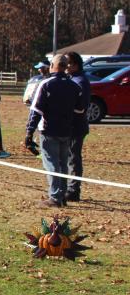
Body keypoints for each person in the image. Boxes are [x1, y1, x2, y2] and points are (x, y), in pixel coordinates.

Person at [25, 54, 86, 208]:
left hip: (48, 131)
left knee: (51, 164)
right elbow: (80, 109)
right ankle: (62, 195)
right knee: (63, 164)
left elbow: (36, 111)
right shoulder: (74, 86)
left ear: (53, 66)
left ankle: (55, 197)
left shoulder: (46, 84)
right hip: (66, 131)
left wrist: (29, 132)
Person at [64, 52, 90, 202]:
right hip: (69, 126)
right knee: (69, 157)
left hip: (76, 126)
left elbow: (82, 107)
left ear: (75, 65)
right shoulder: (71, 79)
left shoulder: (80, 81)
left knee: (73, 158)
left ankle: (74, 190)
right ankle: (68, 187)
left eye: (67, 63)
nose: (65, 66)